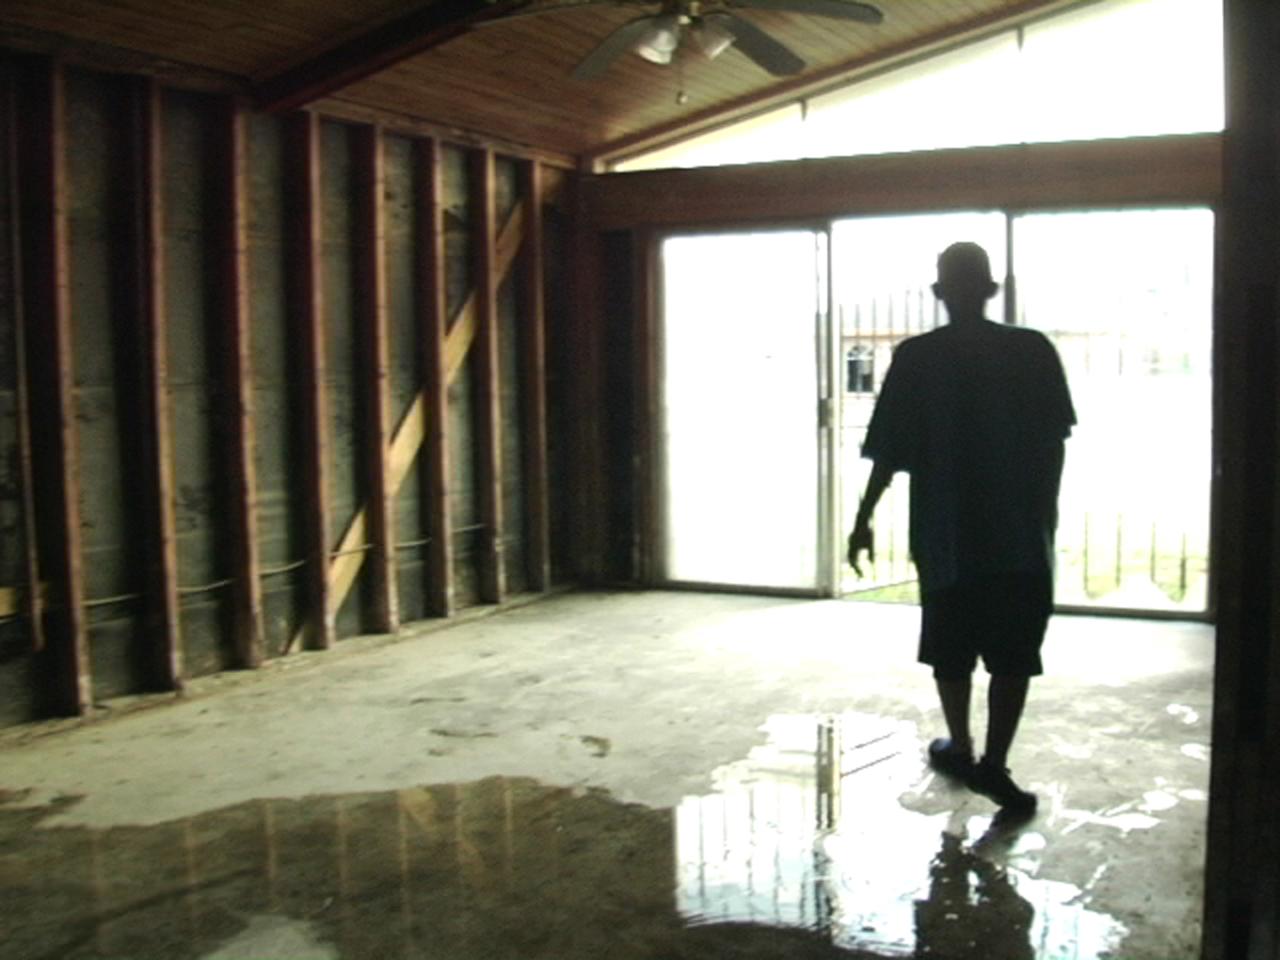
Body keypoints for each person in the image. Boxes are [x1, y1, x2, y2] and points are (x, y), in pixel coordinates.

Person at [847, 241, 1075, 817]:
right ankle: (994, 763)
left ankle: (961, 747)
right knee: (1013, 652)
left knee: (951, 646)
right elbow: (1055, 443)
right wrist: (1039, 515)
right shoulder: (1031, 350)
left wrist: (863, 520)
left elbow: (888, 453)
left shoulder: (918, 358)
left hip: (946, 535)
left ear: (939, 293)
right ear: (991, 290)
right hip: (1019, 537)